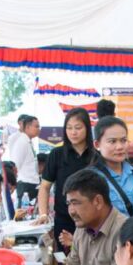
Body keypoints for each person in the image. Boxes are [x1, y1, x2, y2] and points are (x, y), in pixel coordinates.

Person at [37, 107, 98, 250]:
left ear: (87, 129)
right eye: (69, 128)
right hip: (64, 219)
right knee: (64, 259)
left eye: (78, 128)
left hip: (91, 220)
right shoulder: (56, 154)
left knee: (89, 258)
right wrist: (43, 214)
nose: (73, 132)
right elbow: (45, 187)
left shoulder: (96, 157)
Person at [92, 116, 133, 216]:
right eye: (112, 141)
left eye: (123, 140)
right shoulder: (91, 178)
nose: (119, 147)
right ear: (97, 145)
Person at [6, 114, 41, 205]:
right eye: (36, 126)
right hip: (25, 184)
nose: (39, 129)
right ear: (28, 127)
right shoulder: (22, 142)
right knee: (24, 211)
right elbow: (15, 165)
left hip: (31, 183)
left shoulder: (28, 141)